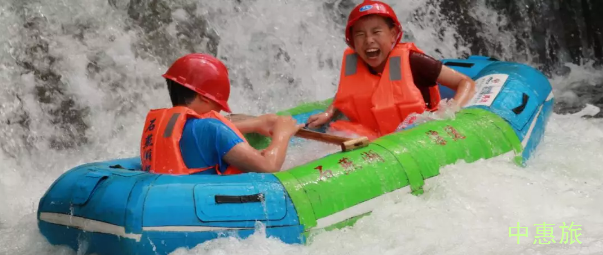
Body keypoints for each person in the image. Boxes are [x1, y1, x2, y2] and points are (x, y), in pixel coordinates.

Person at [306, 0, 476, 140]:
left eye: (376, 32)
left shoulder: (414, 62)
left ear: (393, 34)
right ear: (352, 41)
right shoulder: (354, 65)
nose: (369, 40)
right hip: (375, 136)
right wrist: (329, 112)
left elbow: (465, 82)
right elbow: (346, 94)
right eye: (360, 34)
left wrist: (451, 111)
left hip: (417, 134)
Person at [139, 53, 304, 175]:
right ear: (203, 98)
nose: (218, 112)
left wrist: (254, 124)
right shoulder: (214, 130)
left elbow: (202, 129)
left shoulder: (167, 125)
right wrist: (283, 133)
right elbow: (269, 167)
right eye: (218, 105)